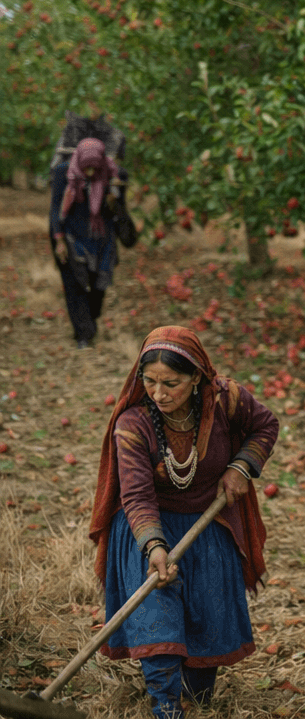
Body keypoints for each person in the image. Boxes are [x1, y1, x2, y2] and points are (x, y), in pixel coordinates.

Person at [89, 327, 279, 719]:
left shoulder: (227, 401)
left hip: (207, 526)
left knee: (206, 614)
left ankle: (197, 694)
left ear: (196, 378)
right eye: (150, 381)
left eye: (171, 383)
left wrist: (242, 465)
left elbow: (266, 426)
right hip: (148, 526)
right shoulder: (133, 424)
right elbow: (137, 496)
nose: (159, 394)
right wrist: (154, 547)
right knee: (157, 615)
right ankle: (165, 706)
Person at [49, 136, 129, 348]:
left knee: (98, 286)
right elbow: (56, 207)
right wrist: (58, 240)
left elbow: (121, 212)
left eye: (96, 169)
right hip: (72, 236)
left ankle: (90, 319)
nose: (91, 173)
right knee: (74, 284)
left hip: (102, 239)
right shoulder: (63, 174)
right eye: (87, 169)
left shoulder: (115, 175)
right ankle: (83, 334)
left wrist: (115, 199)